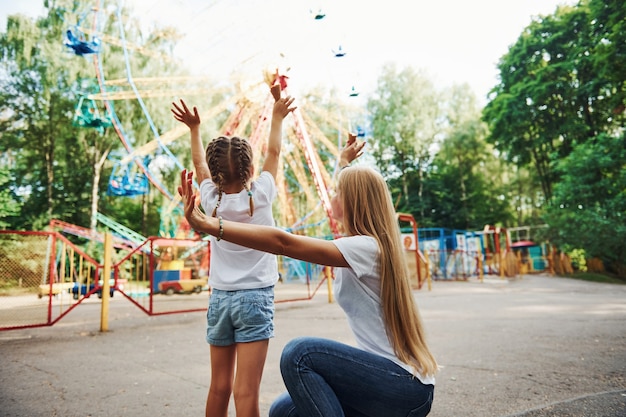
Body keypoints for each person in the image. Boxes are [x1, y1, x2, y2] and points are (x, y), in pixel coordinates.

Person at [178, 137, 438, 417]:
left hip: (403, 387)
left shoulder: (365, 248)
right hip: (383, 382)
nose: (332, 196)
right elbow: (353, 192)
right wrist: (343, 163)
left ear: (353, 201)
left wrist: (209, 224)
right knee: (283, 412)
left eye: (338, 191)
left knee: (300, 354)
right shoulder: (364, 245)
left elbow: (283, 244)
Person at [170, 85, 296, 417]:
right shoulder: (264, 194)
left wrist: (194, 129)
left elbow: (199, 165)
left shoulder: (210, 200)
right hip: (255, 298)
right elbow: (275, 151)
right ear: (249, 170)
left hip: (220, 299)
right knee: (246, 392)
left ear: (215, 174)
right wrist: (278, 114)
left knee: (219, 387)